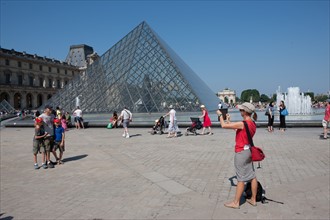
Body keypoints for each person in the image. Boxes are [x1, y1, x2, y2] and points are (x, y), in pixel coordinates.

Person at [217, 102, 258, 209]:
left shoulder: (243, 123)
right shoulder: (252, 123)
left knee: (241, 178)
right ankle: (253, 199)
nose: (240, 111)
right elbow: (238, 130)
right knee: (252, 176)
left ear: (245, 112)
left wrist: (220, 115)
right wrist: (229, 120)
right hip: (249, 150)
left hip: (241, 152)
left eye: (240, 110)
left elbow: (223, 126)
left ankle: (236, 202)